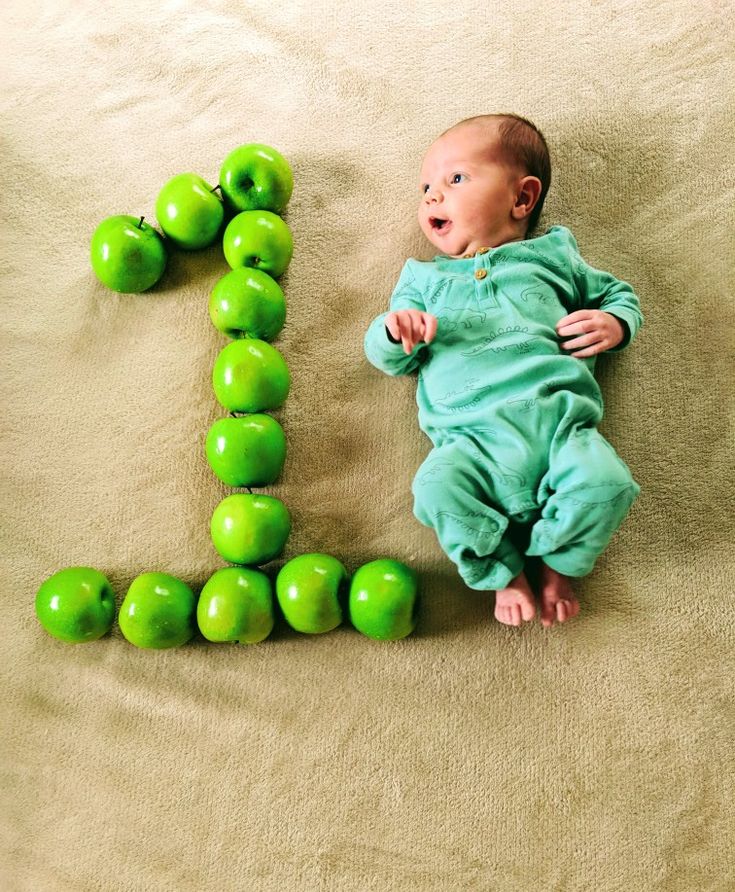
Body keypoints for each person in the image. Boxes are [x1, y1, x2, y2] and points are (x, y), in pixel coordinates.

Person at [364, 113, 643, 628]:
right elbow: (388, 357)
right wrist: (393, 329)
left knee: (609, 483)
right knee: (434, 491)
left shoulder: (554, 255)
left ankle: (558, 564)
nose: (431, 196)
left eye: (454, 179)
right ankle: (503, 572)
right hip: (468, 445)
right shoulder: (423, 281)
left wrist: (615, 322)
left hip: (560, 431)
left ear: (522, 198)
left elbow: (617, 293)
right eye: (426, 185)